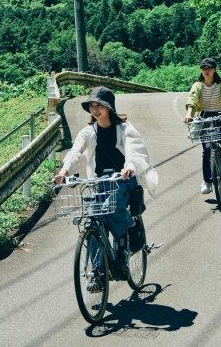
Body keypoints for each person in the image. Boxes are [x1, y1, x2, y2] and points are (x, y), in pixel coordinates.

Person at [54, 86, 158, 291]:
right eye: (92, 105)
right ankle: (97, 274)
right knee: (93, 218)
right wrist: (64, 171)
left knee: (114, 205)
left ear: (109, 107)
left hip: (123, 179)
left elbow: (134, 150)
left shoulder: (124, 128)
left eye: (99, 105)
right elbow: (75, 152)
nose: (95, 109)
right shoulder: (88, 132)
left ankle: (129, 228)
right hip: (100, 182)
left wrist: (129, 167)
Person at [183, 58, 221, 195]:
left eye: (209, 68)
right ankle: (207, 181)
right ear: (201, 70)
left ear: (214, 69)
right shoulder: (198, 85)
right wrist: (189, 114)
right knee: (206, 151)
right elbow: (192, 99)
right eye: (204, 68)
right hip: (204, 116)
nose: (206, 71)